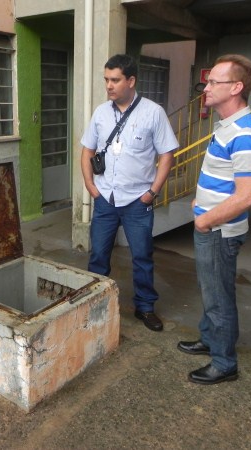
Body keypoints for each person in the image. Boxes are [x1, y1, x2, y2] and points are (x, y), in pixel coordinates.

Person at [177, 54, 251, 384]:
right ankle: (210, 339)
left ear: (236, 87)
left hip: (219, 230)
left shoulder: (244, 134)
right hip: (213, 224)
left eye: (214, 82)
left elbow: (247, 195)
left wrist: (204, 220)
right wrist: (202, 201)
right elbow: (225, 177)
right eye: (207, 81)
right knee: (210, 289)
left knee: (218, 296)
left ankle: (225, 362)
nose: (206, 88)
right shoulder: (229, 127)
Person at [81, 54, 179, 332]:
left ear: (131, 80)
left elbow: (167, 155)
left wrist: (152, 192)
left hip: (138, 200)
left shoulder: (153, 112)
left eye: (115, 80)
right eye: (106, 80)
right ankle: (93, 303)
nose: (109, 86)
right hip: (106, 198)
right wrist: (90, 186)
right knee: (98, 254)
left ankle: (145, 307)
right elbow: (87, 149)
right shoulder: (101, 112)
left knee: (142, 256)